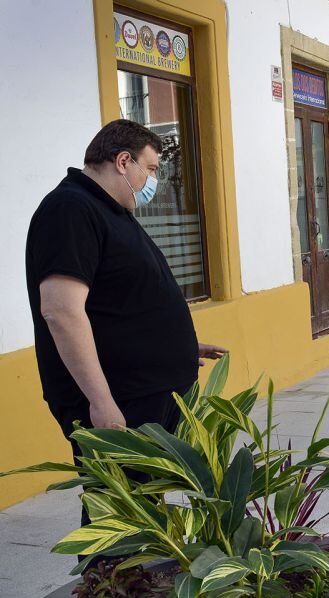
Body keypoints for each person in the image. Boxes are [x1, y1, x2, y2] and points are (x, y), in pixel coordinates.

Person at [24, 119, 227, 529]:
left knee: (150, 513)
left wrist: (178, 344)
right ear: (122, 161)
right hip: (122, 401)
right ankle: (111, 590)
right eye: (150, 169)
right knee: (121, 518)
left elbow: (120, 301)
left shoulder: (107, 209)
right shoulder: (70, 210)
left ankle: (146, 588)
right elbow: (61, 311)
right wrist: (101, 402)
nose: (154, 180)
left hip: (147, 392)